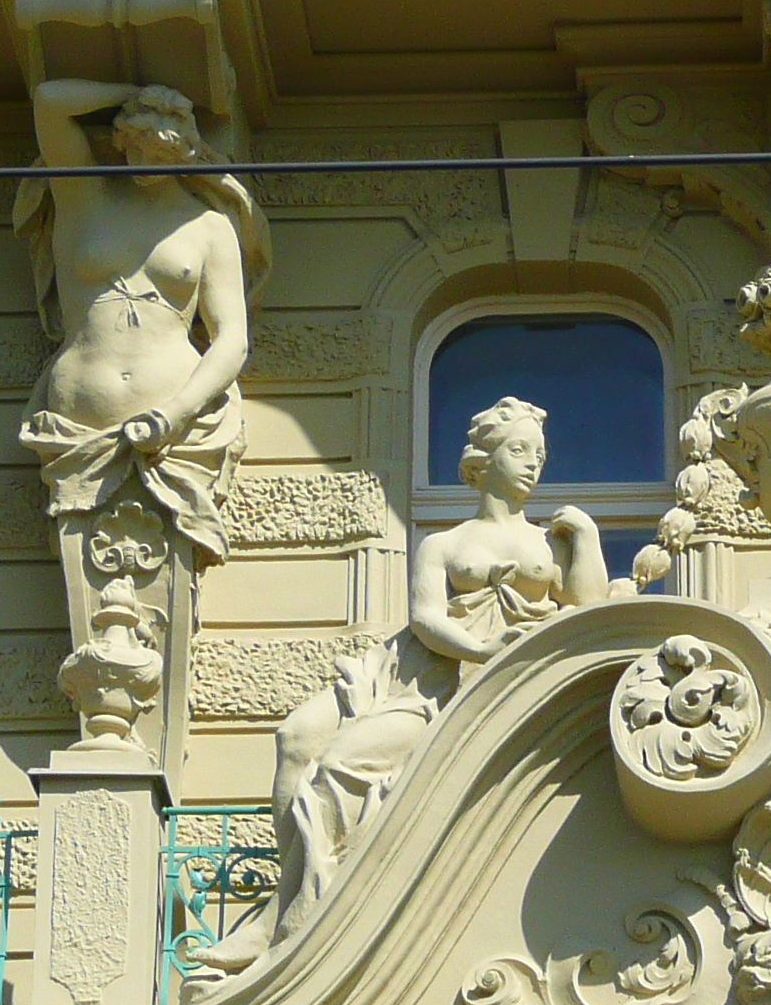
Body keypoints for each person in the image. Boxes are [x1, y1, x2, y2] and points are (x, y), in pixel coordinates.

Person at [211, 398, 609, 968]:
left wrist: (589, 538)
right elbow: (427, 619)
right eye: (519, 450)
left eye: (540, 454)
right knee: (302, 740)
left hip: (499, 691)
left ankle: (288, 917)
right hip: (433, 682)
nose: (533, 464)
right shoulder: (443, 544)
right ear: (485, 458)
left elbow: (586, 611)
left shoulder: (550, 544)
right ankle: (286, 906)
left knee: (340, 761)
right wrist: (482, 646)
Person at [14, 80, 261, 746]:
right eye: (136, 141)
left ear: (187, 149)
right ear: (119, 139)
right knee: (90, 593)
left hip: (173, 430)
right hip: (78, 426)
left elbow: (232, 336)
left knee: (157, 600)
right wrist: (140, 90)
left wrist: (178, 413)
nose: (146, 158)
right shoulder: (83, 194)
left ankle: (139, 741)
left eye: (163, 144)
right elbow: (50, 100)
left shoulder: (210, 227)